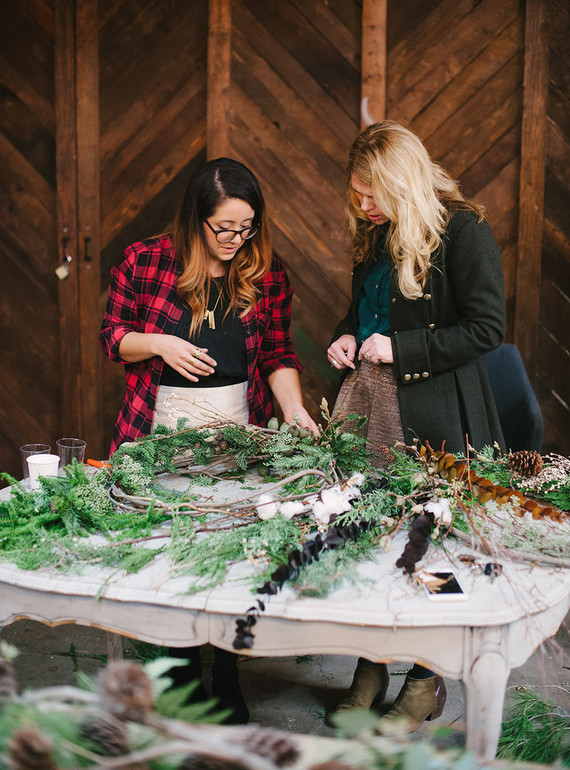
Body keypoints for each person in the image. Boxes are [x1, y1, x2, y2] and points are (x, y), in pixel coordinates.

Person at [100, 157, 317, 723]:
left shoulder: (266, 271)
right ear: (196, 219)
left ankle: (225, 671)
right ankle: (176, 671)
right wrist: (159, 343)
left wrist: (293, 408)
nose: (236, 239)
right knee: (169, 552)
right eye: (225, 228)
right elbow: (112, 338)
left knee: (227, 556)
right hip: (160, 430)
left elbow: (277, 353)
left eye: (246, 227)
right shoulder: (145, 260)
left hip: (239, 433)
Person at [326, 121, 506, 733]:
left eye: (371, 193)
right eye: (356, 192)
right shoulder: (376, 233)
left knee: (431, 553)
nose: (363, 205)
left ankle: (424, 681)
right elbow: (361, 310)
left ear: (402, 182)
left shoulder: (464, 231)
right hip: (366, 410)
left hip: (433, 418)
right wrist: (345, 334)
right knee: (370, 538)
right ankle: (370, 667)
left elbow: (487, 330)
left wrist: (400, 350)